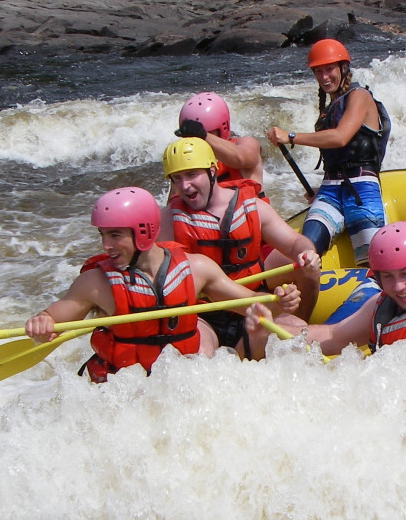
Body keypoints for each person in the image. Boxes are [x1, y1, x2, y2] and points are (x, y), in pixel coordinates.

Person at [25, 186, 302, 382]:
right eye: (103, 235)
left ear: (144, 232)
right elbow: (56, 318)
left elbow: (251, 305)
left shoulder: (196, 268)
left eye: (115, 235)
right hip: (124, 391)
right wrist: (42, 322)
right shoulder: (95, 283)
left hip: (177, 386)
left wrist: (278, 303)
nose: (105, 246)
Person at [243, 221, 406, 391]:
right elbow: (333, 336)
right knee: (290, 325)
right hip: (404, 410)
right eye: (388, 277)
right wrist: (270, 330)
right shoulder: (383, 306)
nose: (398, 287)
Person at [160, 137, 322, 329]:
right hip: (204, 312)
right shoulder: (167, 219)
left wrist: (306, 253)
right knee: (203, 347)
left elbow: (294, 242)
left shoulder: (251, 206)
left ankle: (302, 319)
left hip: (252, 298)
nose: (185, 186)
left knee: (299, 325)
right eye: (177, 178)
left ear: (212, 171)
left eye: (191, 174)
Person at [265, 39, 391, 264]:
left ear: (343, 68)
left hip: (361, 189)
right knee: (306, 251)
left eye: (329, 69)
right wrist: (320, 189)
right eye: (318, 71)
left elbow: (340, 137)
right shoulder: (329, 107)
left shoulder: (360, 96)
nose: (324, 77)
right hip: (330, 190)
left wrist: (291, 136)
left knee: (374, 263)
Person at [174, 92, 266, 193]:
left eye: (209, 132)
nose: (199, 142)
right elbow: (174, 202)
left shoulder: (247, 143)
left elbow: (241, 158)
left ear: (221, 129)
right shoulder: (185, 161)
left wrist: (204, 135)